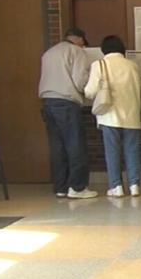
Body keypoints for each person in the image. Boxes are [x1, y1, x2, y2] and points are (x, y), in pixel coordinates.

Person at [38, 27, 97, 199]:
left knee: (57, 146)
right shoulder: (76, 52)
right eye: (83, 43)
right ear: (79, 39)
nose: (84, 46)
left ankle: (61, 187)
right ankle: (78, 187)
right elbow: (79, 82)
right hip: (66, 103)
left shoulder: (48, 53)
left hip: (47, 102)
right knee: (75, 144)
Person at [84, 35, 141, 197]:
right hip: (132, 115)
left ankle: (116, 186)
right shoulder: (132, 66)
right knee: (132, 151)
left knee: (112, 152)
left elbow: (90, 91)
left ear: (103, 50)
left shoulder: (100, 65)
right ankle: (134, 185)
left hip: (110, 115)